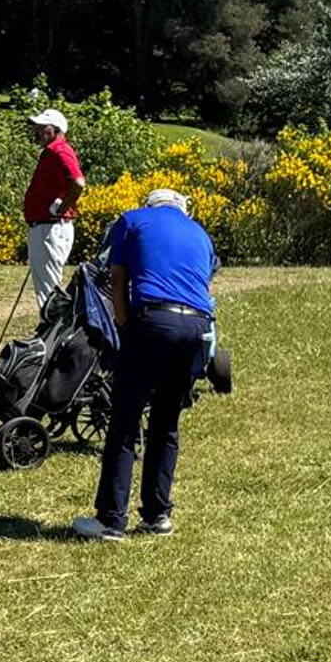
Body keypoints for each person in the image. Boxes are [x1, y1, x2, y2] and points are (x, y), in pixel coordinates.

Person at [73, 187, 217, 541]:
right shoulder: (200, 233)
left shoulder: (133, 220)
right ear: (182, 208)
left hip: (152, 320)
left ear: (150, 204)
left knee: (125, 421)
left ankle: (111, 520)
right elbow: (204, 284)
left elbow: (117, 277)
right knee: (166, 423)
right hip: (197, 328)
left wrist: (124, 327)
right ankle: (157, 514)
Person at [22, 108, 86, 307]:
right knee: (48, 288)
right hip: (47, 227)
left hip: (49, 227)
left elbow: (78, 182)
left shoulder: (59, 149)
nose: (39, 131)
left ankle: (52, 326)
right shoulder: (54, 150)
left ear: (57, 129)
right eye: (38, 127)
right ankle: (52, 324)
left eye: (44, 127)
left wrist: (62, 208)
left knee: (49, 291)